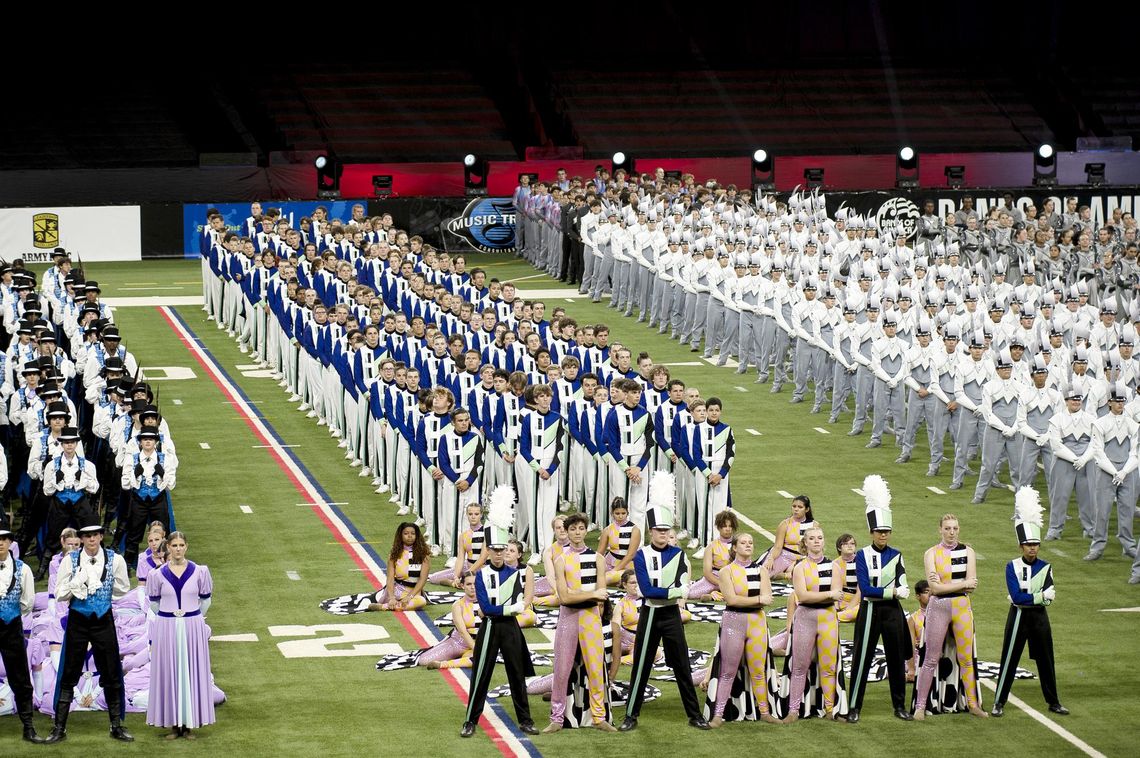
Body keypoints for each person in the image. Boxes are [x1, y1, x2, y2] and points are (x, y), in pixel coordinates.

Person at [619, 471, 710, 731]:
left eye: (666, 530)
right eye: (658, 530)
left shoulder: (679, 555)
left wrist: (670, 591)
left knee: (681, 665)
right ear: (650, 531)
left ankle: (694, 714)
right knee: (641, 666)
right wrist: (670, 590)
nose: (662, 534)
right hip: (649, 615)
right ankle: (630, 715)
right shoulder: (641, 555)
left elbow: (682, 588)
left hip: (670, 616)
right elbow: (647, 590)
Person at [460, 486, 539, 738]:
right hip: (490, 627)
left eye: (501, 549)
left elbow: (519, 602)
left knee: (517, 675)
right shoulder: (480, 574)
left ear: (506, 550)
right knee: (480, 675)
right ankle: (470, 719)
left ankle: (525, 720)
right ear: (488, 550)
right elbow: (486, 608)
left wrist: (514, 608)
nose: (497, 554)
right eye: (493, 550)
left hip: (510, 630)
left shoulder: (516, 573)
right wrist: (511, 608)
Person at [47, 523, 133, 743]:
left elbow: (123, 588)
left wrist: (103, 592)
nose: (92, 539)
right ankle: (59, 727)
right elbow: (59, 593)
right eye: (87, 536)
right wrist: (76, 583)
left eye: (95, 535)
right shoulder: (70, 560)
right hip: (78, 619)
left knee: (111, 671)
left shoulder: (116, 559)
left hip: (103, 619)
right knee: (69, 671)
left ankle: (116, 725)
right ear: (82, 539)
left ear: (101, 536)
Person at [991, 487, 1068, 717]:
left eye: (1036, 544)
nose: (1032, 548)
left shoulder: (1046, 567)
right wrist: (1039, 597)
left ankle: (1053, 701)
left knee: (1046, 660)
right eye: (1028, 545)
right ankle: (999, 702)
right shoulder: (1011, 566)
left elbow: (1049, 598)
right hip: (1017, 619)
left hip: (1039, 619)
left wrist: (1035, 599)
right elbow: (1017, 597)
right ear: (1021, 546)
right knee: (1009, 660)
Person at [845, 475, 912, 723]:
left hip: (892, 613)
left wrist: (899, 588)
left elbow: (903, 580)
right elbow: (865, 588)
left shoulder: (897, 554)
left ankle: (899, 706)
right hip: (870, 611)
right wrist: (892, 591)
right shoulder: (861, 555)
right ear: (872, 532)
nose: (883, 535)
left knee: (896, 659)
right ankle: (854, 707)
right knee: (862, 658)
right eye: (879, 531)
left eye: (887, 531)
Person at [912, 515, 986, 719]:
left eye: (954, 528)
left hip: (961, 606)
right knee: (931, 658)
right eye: (947, 528)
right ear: (940, 530)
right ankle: (920, 706)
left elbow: (969, 584)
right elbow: (935, 587)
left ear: (959, 529)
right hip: (940, 607)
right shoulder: (931, 553)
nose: (951, 532)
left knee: (966, 659)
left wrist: (946, 586)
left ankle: (973, 704)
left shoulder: (968, 551)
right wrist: (962, 584)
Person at [544, 512, 612, 732]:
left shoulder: (598, 559)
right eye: (572, 529)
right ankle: (556, 718)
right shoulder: (560, 558)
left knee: (595, 669)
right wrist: (591, 595)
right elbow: (564, 598)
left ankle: (599, 717)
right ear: (567, 531)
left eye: (580, 528)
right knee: (561, 669)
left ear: (586, 530)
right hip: (569, 617)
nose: (576, 533)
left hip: (591, 618)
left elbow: (602, 595)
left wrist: (579, 594)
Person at [146, 531, 216, 739]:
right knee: (170, 671)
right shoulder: (156, 575)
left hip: (192, 626)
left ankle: (189, 723)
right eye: (174, 545)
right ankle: (174, 724)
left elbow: (206, 600)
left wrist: (192, 619)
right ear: (168, 547)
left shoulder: (200, 571)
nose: (177, 549)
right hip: (167, 627)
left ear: (186, 546)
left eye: (181, 545)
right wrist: (171, 619)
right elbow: (154, 603)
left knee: (191, 671)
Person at [705, 532, 778, 726]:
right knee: (728, 671)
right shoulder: (726, 571)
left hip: (756, 623)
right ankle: (718, 716)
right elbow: (731, 599)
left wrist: (757, 600)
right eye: (743, 542)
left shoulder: (761, 570)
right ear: (734, 548)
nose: (748, 545)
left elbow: (768, 597)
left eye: (751, 543)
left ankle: (765, 712)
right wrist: (758, 600)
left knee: (758, 671)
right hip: (734, 621)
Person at [784, 524, 844, 722]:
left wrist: (818, 596)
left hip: (827, 618)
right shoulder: (799, 567)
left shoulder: (835, 566)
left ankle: (829, 710)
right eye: (812, 538)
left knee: (829, 667)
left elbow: (834, 596)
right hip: (805, 617)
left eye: (820, 537)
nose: (817, 541)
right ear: (805, 543)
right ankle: (793, 710)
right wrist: (828, 595)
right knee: (800, 665)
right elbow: (802, 596)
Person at [0, 527, 46, 742]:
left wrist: (9, 612)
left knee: (20, 677)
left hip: (12, 626)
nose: (0, 543)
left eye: (4, 539)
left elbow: (28, 601)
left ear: (10, 542)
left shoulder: (23, 568)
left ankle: (28, 726)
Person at [420, 574, 479, 669]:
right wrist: (476, 649)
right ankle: (462, 658)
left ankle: (442, 665)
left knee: (477, 661)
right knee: (424, 660)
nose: (473, 587)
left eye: (475, 584)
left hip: (479, 642)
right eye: (469, 584)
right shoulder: (458, 605)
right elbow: (463, 632)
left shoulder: (486, 602)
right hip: (459, 642)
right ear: (462, 585)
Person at [369, 523, 430, 611]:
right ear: (400, 536)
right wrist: (391, 598)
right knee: (413, 603)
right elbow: (390, 579)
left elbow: (422, 579)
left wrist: (410, 596)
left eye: (413, 534)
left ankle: (383, 607)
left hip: (414, 592)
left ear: (417, 536)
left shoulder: (424, 555)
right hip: (397, 590)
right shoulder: (394, 554)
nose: (410, 536)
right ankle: (393, 604)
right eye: (406, 533)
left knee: (422, 601)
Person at [687, 510, 736, 599]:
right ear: (718, 527)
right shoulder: (711, 546)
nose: (728, 529)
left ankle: (714, 595)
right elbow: (707, 573)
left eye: (730, 526)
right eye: (724, 526)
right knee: (689, 594)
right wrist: (721, 584)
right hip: (715, 579)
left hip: (735, 578)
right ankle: (718, 593)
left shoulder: (739, 543)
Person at [762, 495, 813, 579]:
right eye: (794, 506)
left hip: (802, 557)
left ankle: (787, 574)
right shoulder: (784, 524)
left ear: (807, 509)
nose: (796, 509)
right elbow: (778, 546)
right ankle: (788, 573)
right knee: (764, 575)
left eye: (800, 507)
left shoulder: (814, 525)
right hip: (784, 556)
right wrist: (771, 559)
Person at [597, 497, 641, 585]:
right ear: (612, 513)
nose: (620, 516)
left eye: (623, 513)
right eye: (617, 513)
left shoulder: (635, 530)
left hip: (628, 567)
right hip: (608, 564)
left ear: (627, 512)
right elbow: (599, 553)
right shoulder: (607, 530)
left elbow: (630, 555)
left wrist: (615, 570)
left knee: (604, 580)